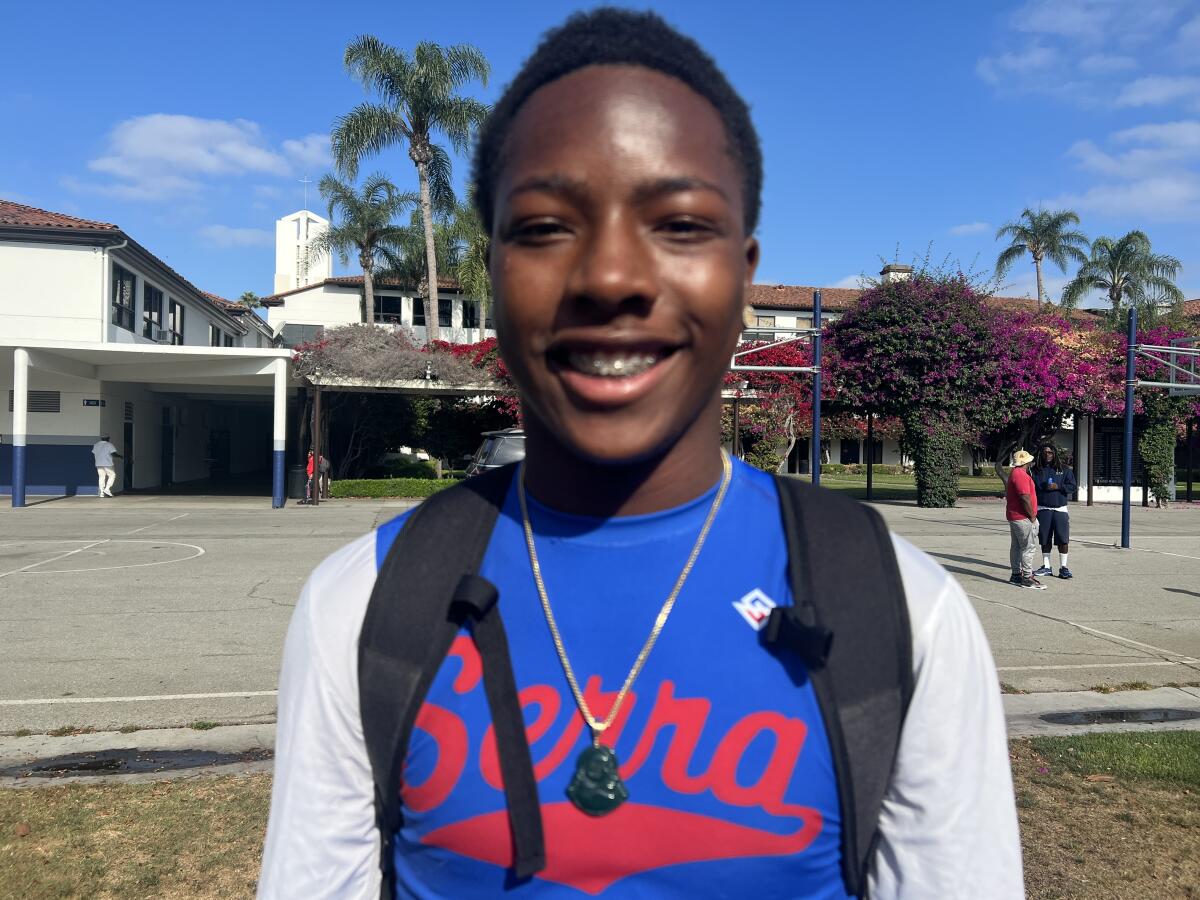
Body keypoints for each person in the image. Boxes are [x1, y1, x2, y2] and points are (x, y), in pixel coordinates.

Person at [258, 9, 1022, 899]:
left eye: (681, 225)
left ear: (743, 277)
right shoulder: (364, 605)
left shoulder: (904, 612)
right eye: (544, 226)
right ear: (493, 276)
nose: (612, 276)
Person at [1032, 443, 1076, 579]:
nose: (1047, 455)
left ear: (1055, 454)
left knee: (1063, 539)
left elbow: (1072, 486)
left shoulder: (1065, 469)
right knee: (1045, 539)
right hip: (1043, 509)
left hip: (1060, 509)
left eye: (1050, 452)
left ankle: (1064, 567)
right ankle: (1046, 566)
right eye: (1045, 452)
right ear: (1040, 454)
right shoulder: (1035, 470)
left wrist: (1059, 486)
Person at [1006, 449, 1044, 590]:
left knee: (1016, 546)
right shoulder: (1021, 475)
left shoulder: (1015, 473)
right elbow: (1024, 496)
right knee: (1028, 547)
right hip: (1022, 517)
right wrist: (1032, 516)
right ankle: (1027, 577)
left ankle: (1016, 574)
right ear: (1026, 462)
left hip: (1014, 515)